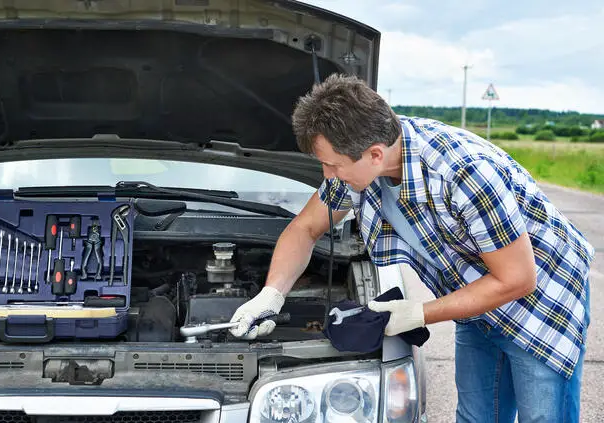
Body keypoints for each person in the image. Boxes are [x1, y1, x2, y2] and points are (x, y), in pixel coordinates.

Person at [228, 73, 593, 422]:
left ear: (374, 154)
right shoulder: (362, 162)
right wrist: (271, 294)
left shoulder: (462, 174)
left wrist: (417, 313)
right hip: (476, 297)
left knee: (543, 417)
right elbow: (306, 228)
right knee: (476, 417)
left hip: (542, 302)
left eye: (332, 165)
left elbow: (517, 279)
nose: (328, 176)